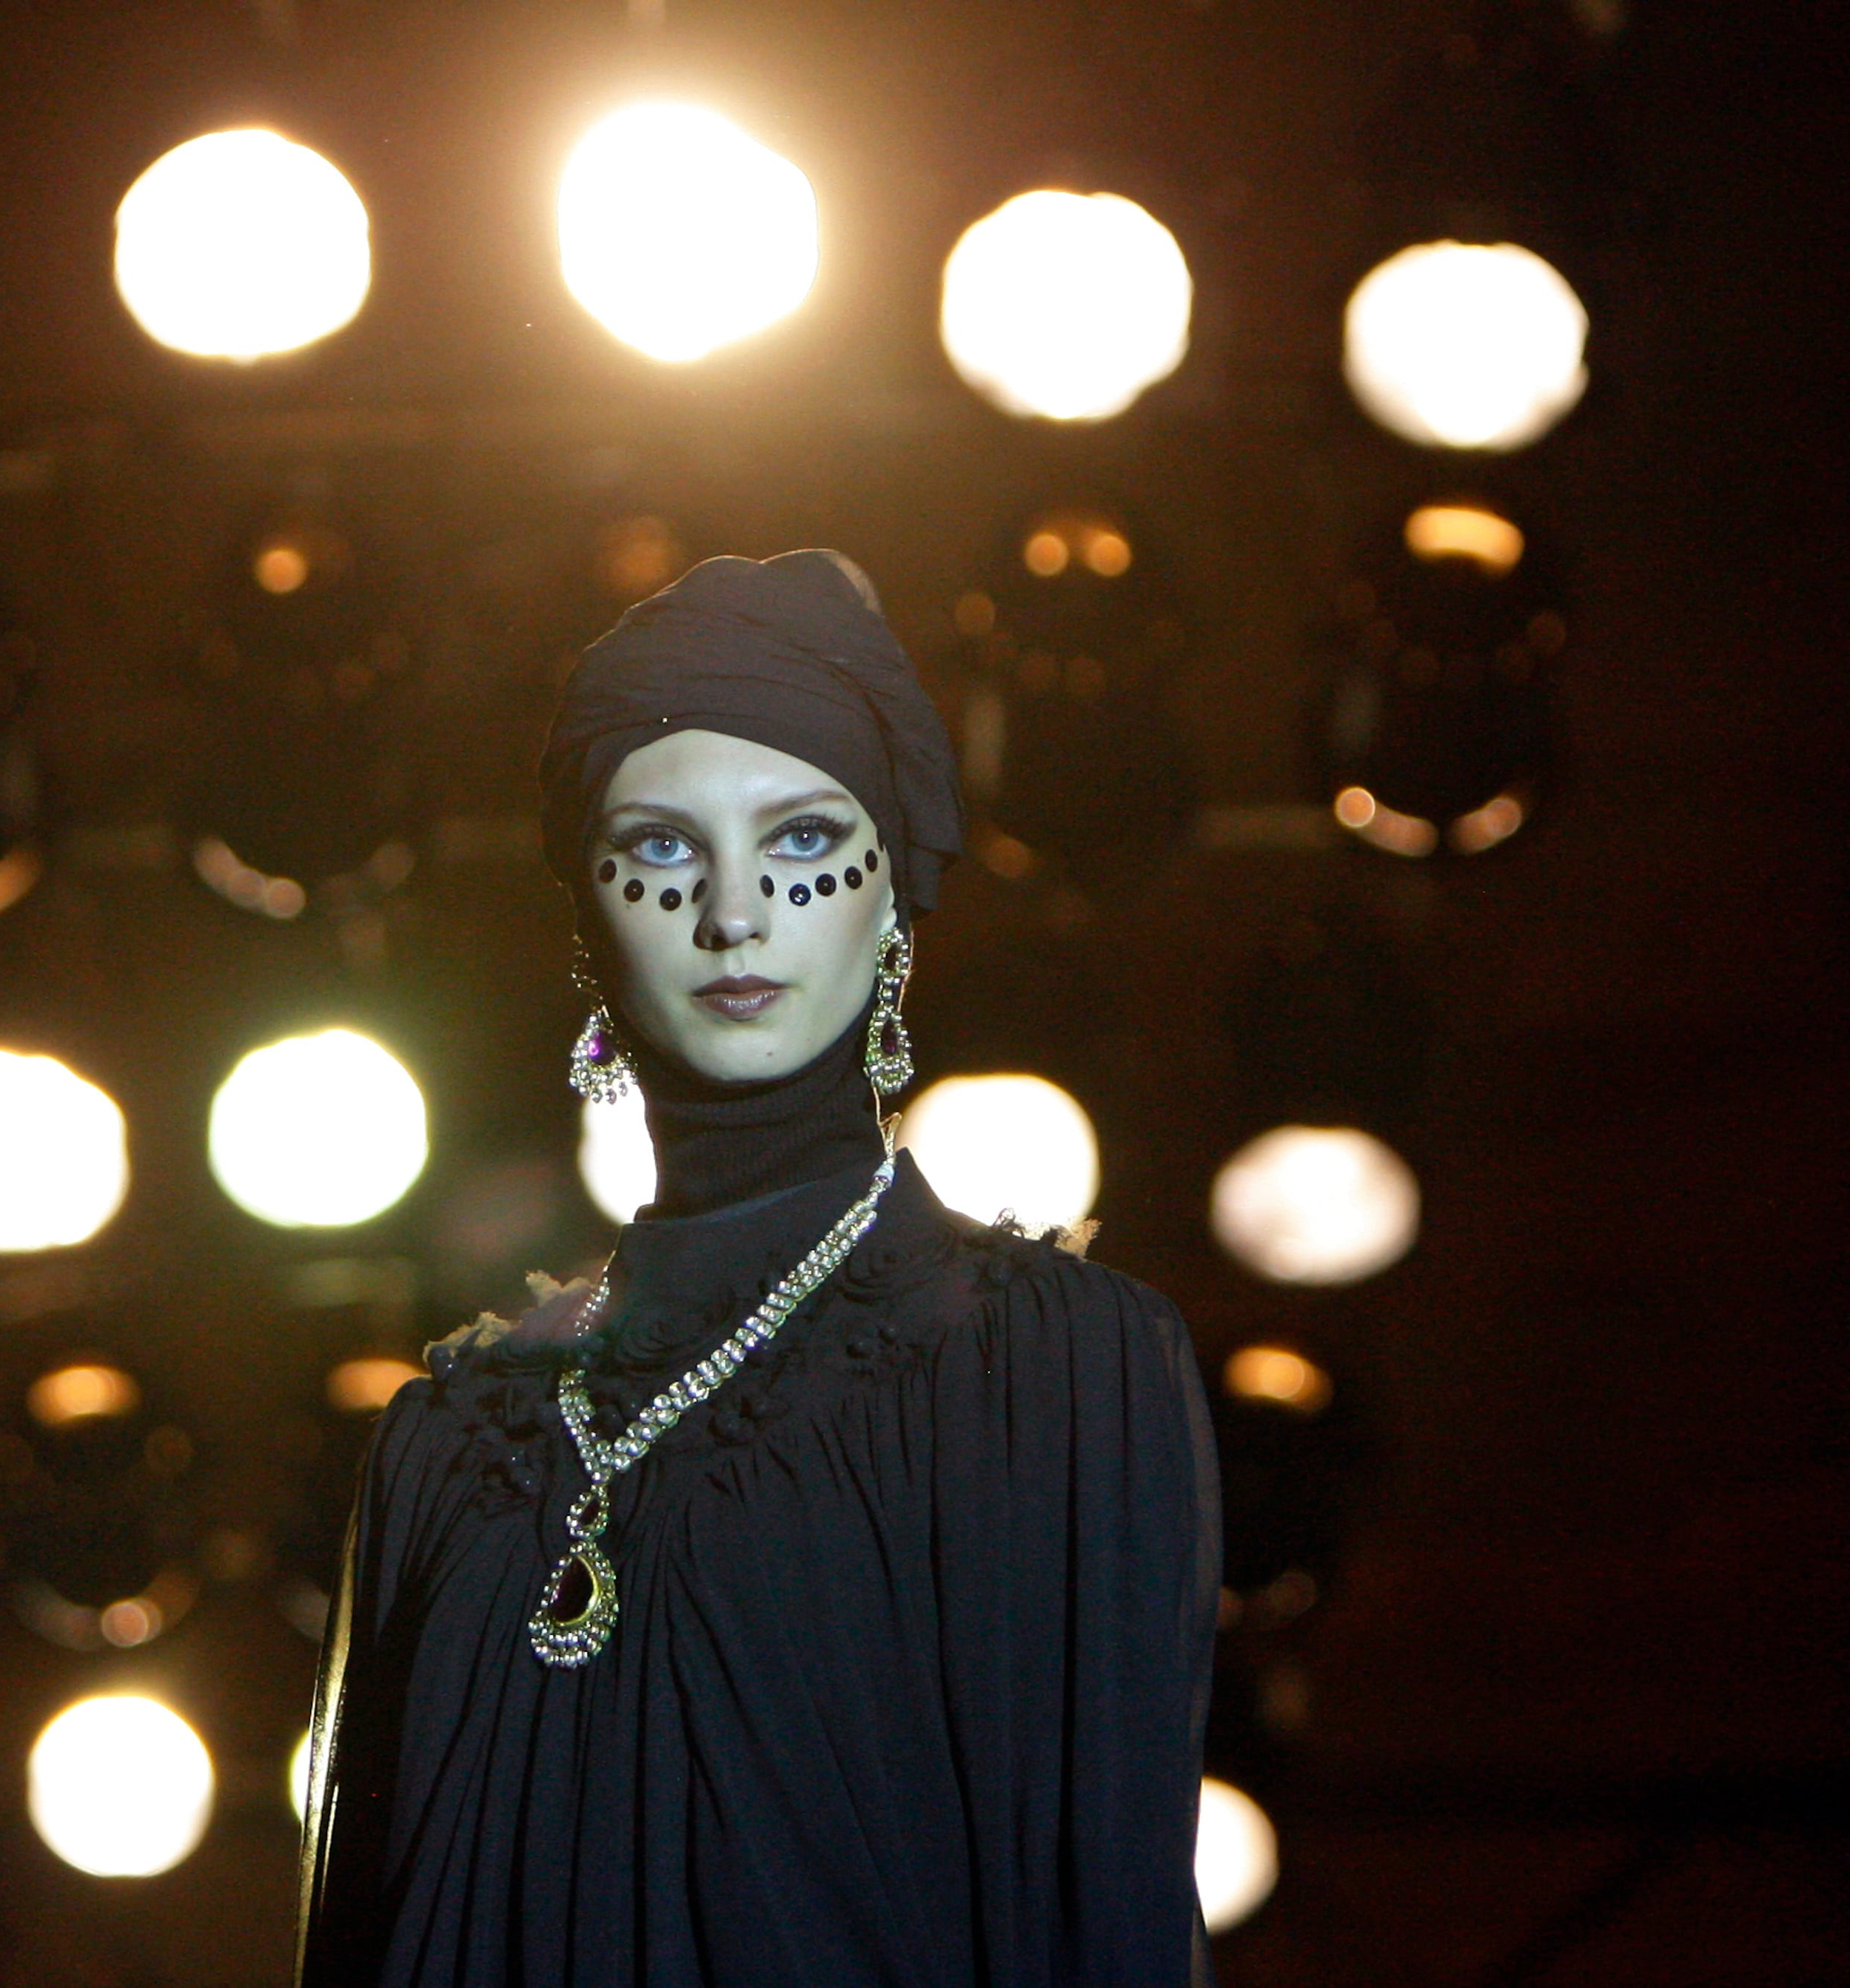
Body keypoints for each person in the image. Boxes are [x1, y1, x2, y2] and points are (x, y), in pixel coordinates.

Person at [295, 550, 1220, 1988]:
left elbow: (1103, 1926)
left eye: (799, 840)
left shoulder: (1046, 1365)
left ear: (893, 899)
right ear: (589, 915)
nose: (735, 912)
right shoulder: (451, 1438)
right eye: (662, 847)